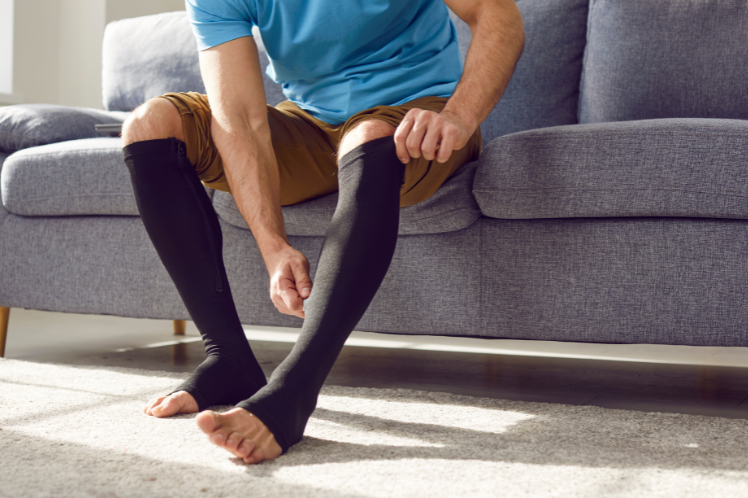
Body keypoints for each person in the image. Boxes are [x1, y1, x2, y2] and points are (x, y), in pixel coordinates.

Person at [121, 0, 524, 464]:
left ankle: (294, 392)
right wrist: (272, 246)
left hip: (417, 119)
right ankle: (227, 359)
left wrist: (458, 116)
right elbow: (240, 119)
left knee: (370, 134)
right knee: (149, 125)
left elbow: (498, 15)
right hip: (311, 124)